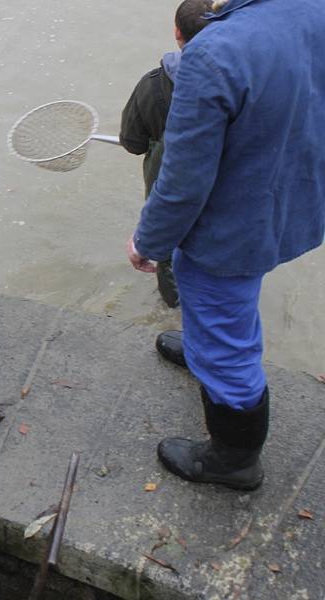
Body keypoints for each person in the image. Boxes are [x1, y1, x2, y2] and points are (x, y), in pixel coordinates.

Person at [126, 0, 325, 490]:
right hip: (294, 196)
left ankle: (233, 460)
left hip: (231, 228)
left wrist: (148, 242)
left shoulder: (214, 51)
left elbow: (184, 181)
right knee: (226, 308)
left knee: (226, 344)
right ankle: (200, 347)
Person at [119, 0, 213, 308]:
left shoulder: (151, 86)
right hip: (224, 198)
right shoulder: (244, 84)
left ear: (176, 32)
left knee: (173, 253)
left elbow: (132, 143)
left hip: (170, 195)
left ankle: (175, 309)